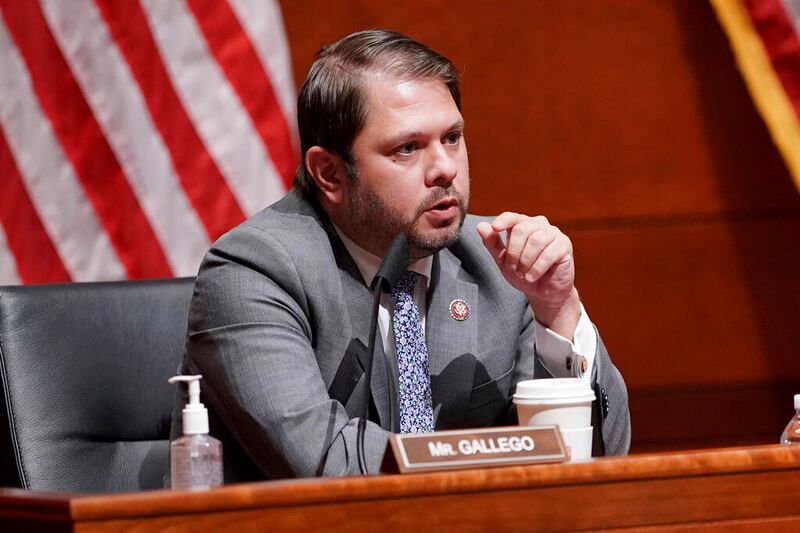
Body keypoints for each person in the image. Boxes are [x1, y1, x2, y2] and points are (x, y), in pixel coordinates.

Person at [172, 29, 630, 481]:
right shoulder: (254, 271)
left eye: (452, 138)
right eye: (408, 148)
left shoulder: (497, 261)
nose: (445, 168)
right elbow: (326, 465)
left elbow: (601, 455)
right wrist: (495, 455)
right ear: (329, 173)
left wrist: (559, 310)